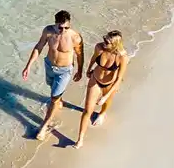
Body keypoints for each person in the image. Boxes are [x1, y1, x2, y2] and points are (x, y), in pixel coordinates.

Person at [21, 10, 83, 141]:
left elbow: (79, 54)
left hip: (64, 71)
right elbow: (39, 47)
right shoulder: (48, 31)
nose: (63, 30)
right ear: (55, 24)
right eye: (60, 27)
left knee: (53, 99)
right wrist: (28, 66)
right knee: (53, 89)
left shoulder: (75, 37)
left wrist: (80, 70)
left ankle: (43, 127)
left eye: (67, 27)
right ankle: (59, 100)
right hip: (49, 66)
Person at [74, 30, 128, 148]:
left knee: (106, 102)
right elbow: (94, 58)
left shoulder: (122, 57)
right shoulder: (99, 47)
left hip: (110, 84)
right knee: (87, 110)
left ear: (115, 44)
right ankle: (80, 139)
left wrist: (105, 97)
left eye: (107, 42)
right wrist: (89, 69)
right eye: (104, 39)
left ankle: (102, 114)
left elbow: (119, 79)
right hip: (95, 79)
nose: (104, 42)